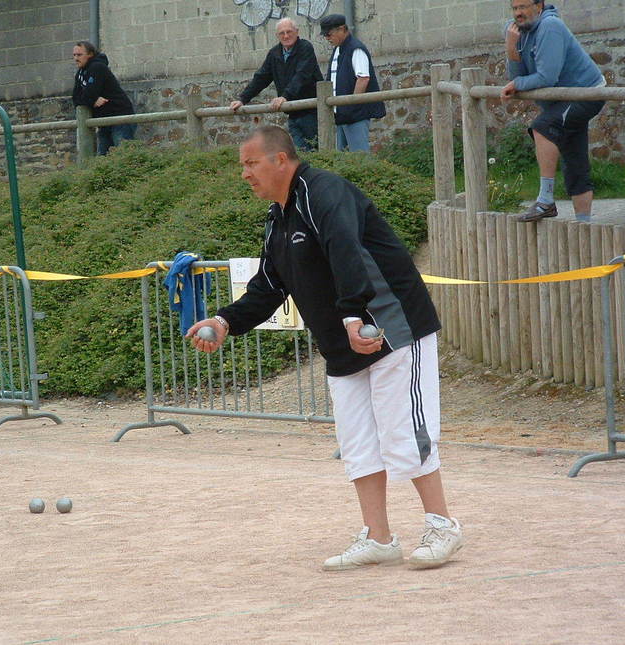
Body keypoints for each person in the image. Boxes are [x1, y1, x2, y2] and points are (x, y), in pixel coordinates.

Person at [186, 125, 464, 571]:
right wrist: (224, 321)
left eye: (251, 163)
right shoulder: (278, 218)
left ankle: (443, 525)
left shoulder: (323, 192)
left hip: (389, 327)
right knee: (358, 444)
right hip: (341, 345)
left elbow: (345, 250)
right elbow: (270, 284)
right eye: (242, 166)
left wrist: (354, 314)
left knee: (404, 432)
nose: (245, 174)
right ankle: (379, 538)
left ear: (281, 160)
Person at [501, 1, 606, 222]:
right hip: (562, 100)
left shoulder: (550, 26)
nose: (518, 13)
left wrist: (518, 84)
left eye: (523, 6)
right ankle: (584, 228)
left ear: (539, 5)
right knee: (574, 160)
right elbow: (517, 74)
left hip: (585, 94)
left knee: (543, 128)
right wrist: (511, 48)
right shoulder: (517, 31)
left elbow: (547, 77)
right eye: (514, 8)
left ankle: (545, 200)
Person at [229, 18, 324, 151]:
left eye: (289, 32)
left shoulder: (305, 48)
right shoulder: (275, 53)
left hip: (311, 112)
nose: (286, 36)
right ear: (277, 36)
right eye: (282, 33)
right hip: (293, 113)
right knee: (301, 154)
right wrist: (242, 99)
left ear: (297, 32)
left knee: (317, 152)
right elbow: (261, 77)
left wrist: (285, 96)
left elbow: (301, 75)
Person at [319, 14, 386, 152]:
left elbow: (363, 79)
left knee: (359, 156)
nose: (327, 38)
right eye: (325, 35)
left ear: (342, 29)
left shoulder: (356, 49)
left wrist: (351, 106)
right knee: (341, 158)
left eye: (329, 34)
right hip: (341, 114)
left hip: (355, 115)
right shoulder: (338, 49)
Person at [72, 41, 136, 156]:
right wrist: (92, 100)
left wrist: (90, 99)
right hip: (103, 122)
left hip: (120, 118)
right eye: (74, 55)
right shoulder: (80, 73)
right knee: (103, 159)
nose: (76, 58)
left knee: (125, 156)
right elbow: (75, 98)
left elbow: (88, 95)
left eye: (79, 55)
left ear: (90, 54)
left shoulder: (97, 67)